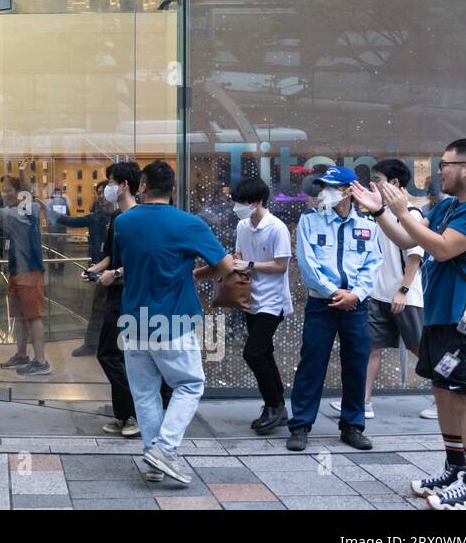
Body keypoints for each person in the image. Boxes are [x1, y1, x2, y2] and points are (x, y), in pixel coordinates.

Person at [352, 138, 466, 510]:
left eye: (446, 164)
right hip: (441, 316)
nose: (439, 171)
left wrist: (402, 209)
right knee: (443, 391)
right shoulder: (450, 205)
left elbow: (441, 248)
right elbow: (408, 238)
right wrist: (380, 213)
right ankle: (456, 469)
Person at [119, 161, 235, 485]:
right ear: (172, 190)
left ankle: (153, 458)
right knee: (189, 383)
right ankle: (165, 449)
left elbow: (135, 262)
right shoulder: (189, 224)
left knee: (144, 393)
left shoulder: (124, 223)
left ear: (142, 187)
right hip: (173, 319)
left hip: (133, 320)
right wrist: (199, 272)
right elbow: (227, 268)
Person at [284, 166, 380, 453]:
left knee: (356, 364)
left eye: (332, 186)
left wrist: (356, 294)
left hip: (356, 306)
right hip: (321, 303)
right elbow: (307, 263)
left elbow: (373, 264)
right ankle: (300, 425)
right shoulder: (310, 221)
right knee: (311, 363)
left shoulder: (368, 225)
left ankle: (352, 426)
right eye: (323, 186)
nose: (325, 191)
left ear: (349, 190)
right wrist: (333, 292)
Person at [331, 159, 431, 422]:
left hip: (405, 296)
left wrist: (403, 290)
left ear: (395, 184)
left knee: (421, 347)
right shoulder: (380, 215)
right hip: (377, 295)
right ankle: (362, 402)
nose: (373, 184)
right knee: (371, 347)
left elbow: (414, 256)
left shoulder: (412, 214)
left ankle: (445, 394)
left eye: (379, 179)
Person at [80, 163, 148, 437]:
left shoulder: (138, 218)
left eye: (111, 182)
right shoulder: (116, 218)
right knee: (113, 354)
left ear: (124, 186)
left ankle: (134, 413)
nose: (107, 187)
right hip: (115, 293)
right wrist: (96, 270)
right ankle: (124, 415)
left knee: (110, 353)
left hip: (131, 296)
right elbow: (111, 255)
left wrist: (115, 273)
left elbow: (140, 260)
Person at [228, 176, 293, 435]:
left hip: (273, 300)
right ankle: (279, 406)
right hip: (250, 298)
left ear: (257, 202)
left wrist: (250, 265)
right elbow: (239, 254)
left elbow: (281, 265)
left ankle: (272, 405)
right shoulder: (243, 226)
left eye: (241, 203)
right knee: (264, 353)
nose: (236, 208)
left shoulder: (277, 228)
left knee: (252, 353)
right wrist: (237, 261)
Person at [0, 176, 49, 376]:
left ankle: (41, 361)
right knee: (21, 317)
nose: (4, 194)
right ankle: (21, 355)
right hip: (16, 270)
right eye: (2, 190)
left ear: (20, 192)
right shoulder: (17, 211)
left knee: (34, 316)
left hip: (30, 271)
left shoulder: (27, 210)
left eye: (8, 190)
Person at [59, 182, 113, 358]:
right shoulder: (97, 217)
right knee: (98, 308)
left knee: (112, 309)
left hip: (117, 271)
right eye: (98, 193)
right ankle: (93, 344)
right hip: (102, 269)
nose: (101, 197)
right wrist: (51, 214)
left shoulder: (120, 217)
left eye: (104, 193)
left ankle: (109, 346)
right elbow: (73, 221)